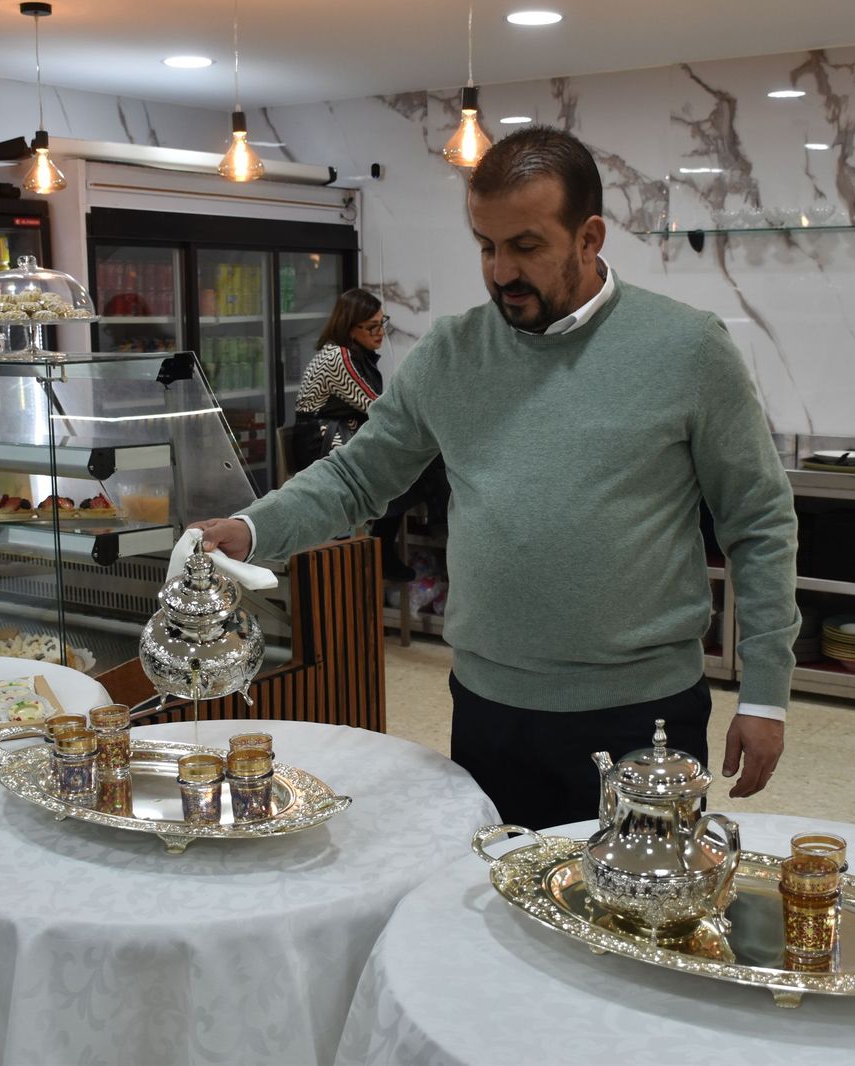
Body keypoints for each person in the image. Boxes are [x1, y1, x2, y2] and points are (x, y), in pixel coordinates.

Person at [193, 126, 799, 829]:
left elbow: (758, 521)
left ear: (590, 238)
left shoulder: (687, 348)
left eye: (526, 246)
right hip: (490, 709)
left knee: (629, 899)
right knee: (494, 893)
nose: (501, 270)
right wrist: (253, 528)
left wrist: (765, 693)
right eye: (486, 245)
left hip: (641, 713)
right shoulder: (452, 352)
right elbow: (357, 477)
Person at [290, 289, 441, 581]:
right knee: (420, 460)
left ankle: (394, 544)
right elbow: (375, 405)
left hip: (344, 435)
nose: (380, 332)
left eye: (381, 323)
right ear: (350, 328)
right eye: (372, 327)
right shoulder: (338, 357)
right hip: (322, 443)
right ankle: (422, 536)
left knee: (423, 458)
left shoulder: (358, 355)